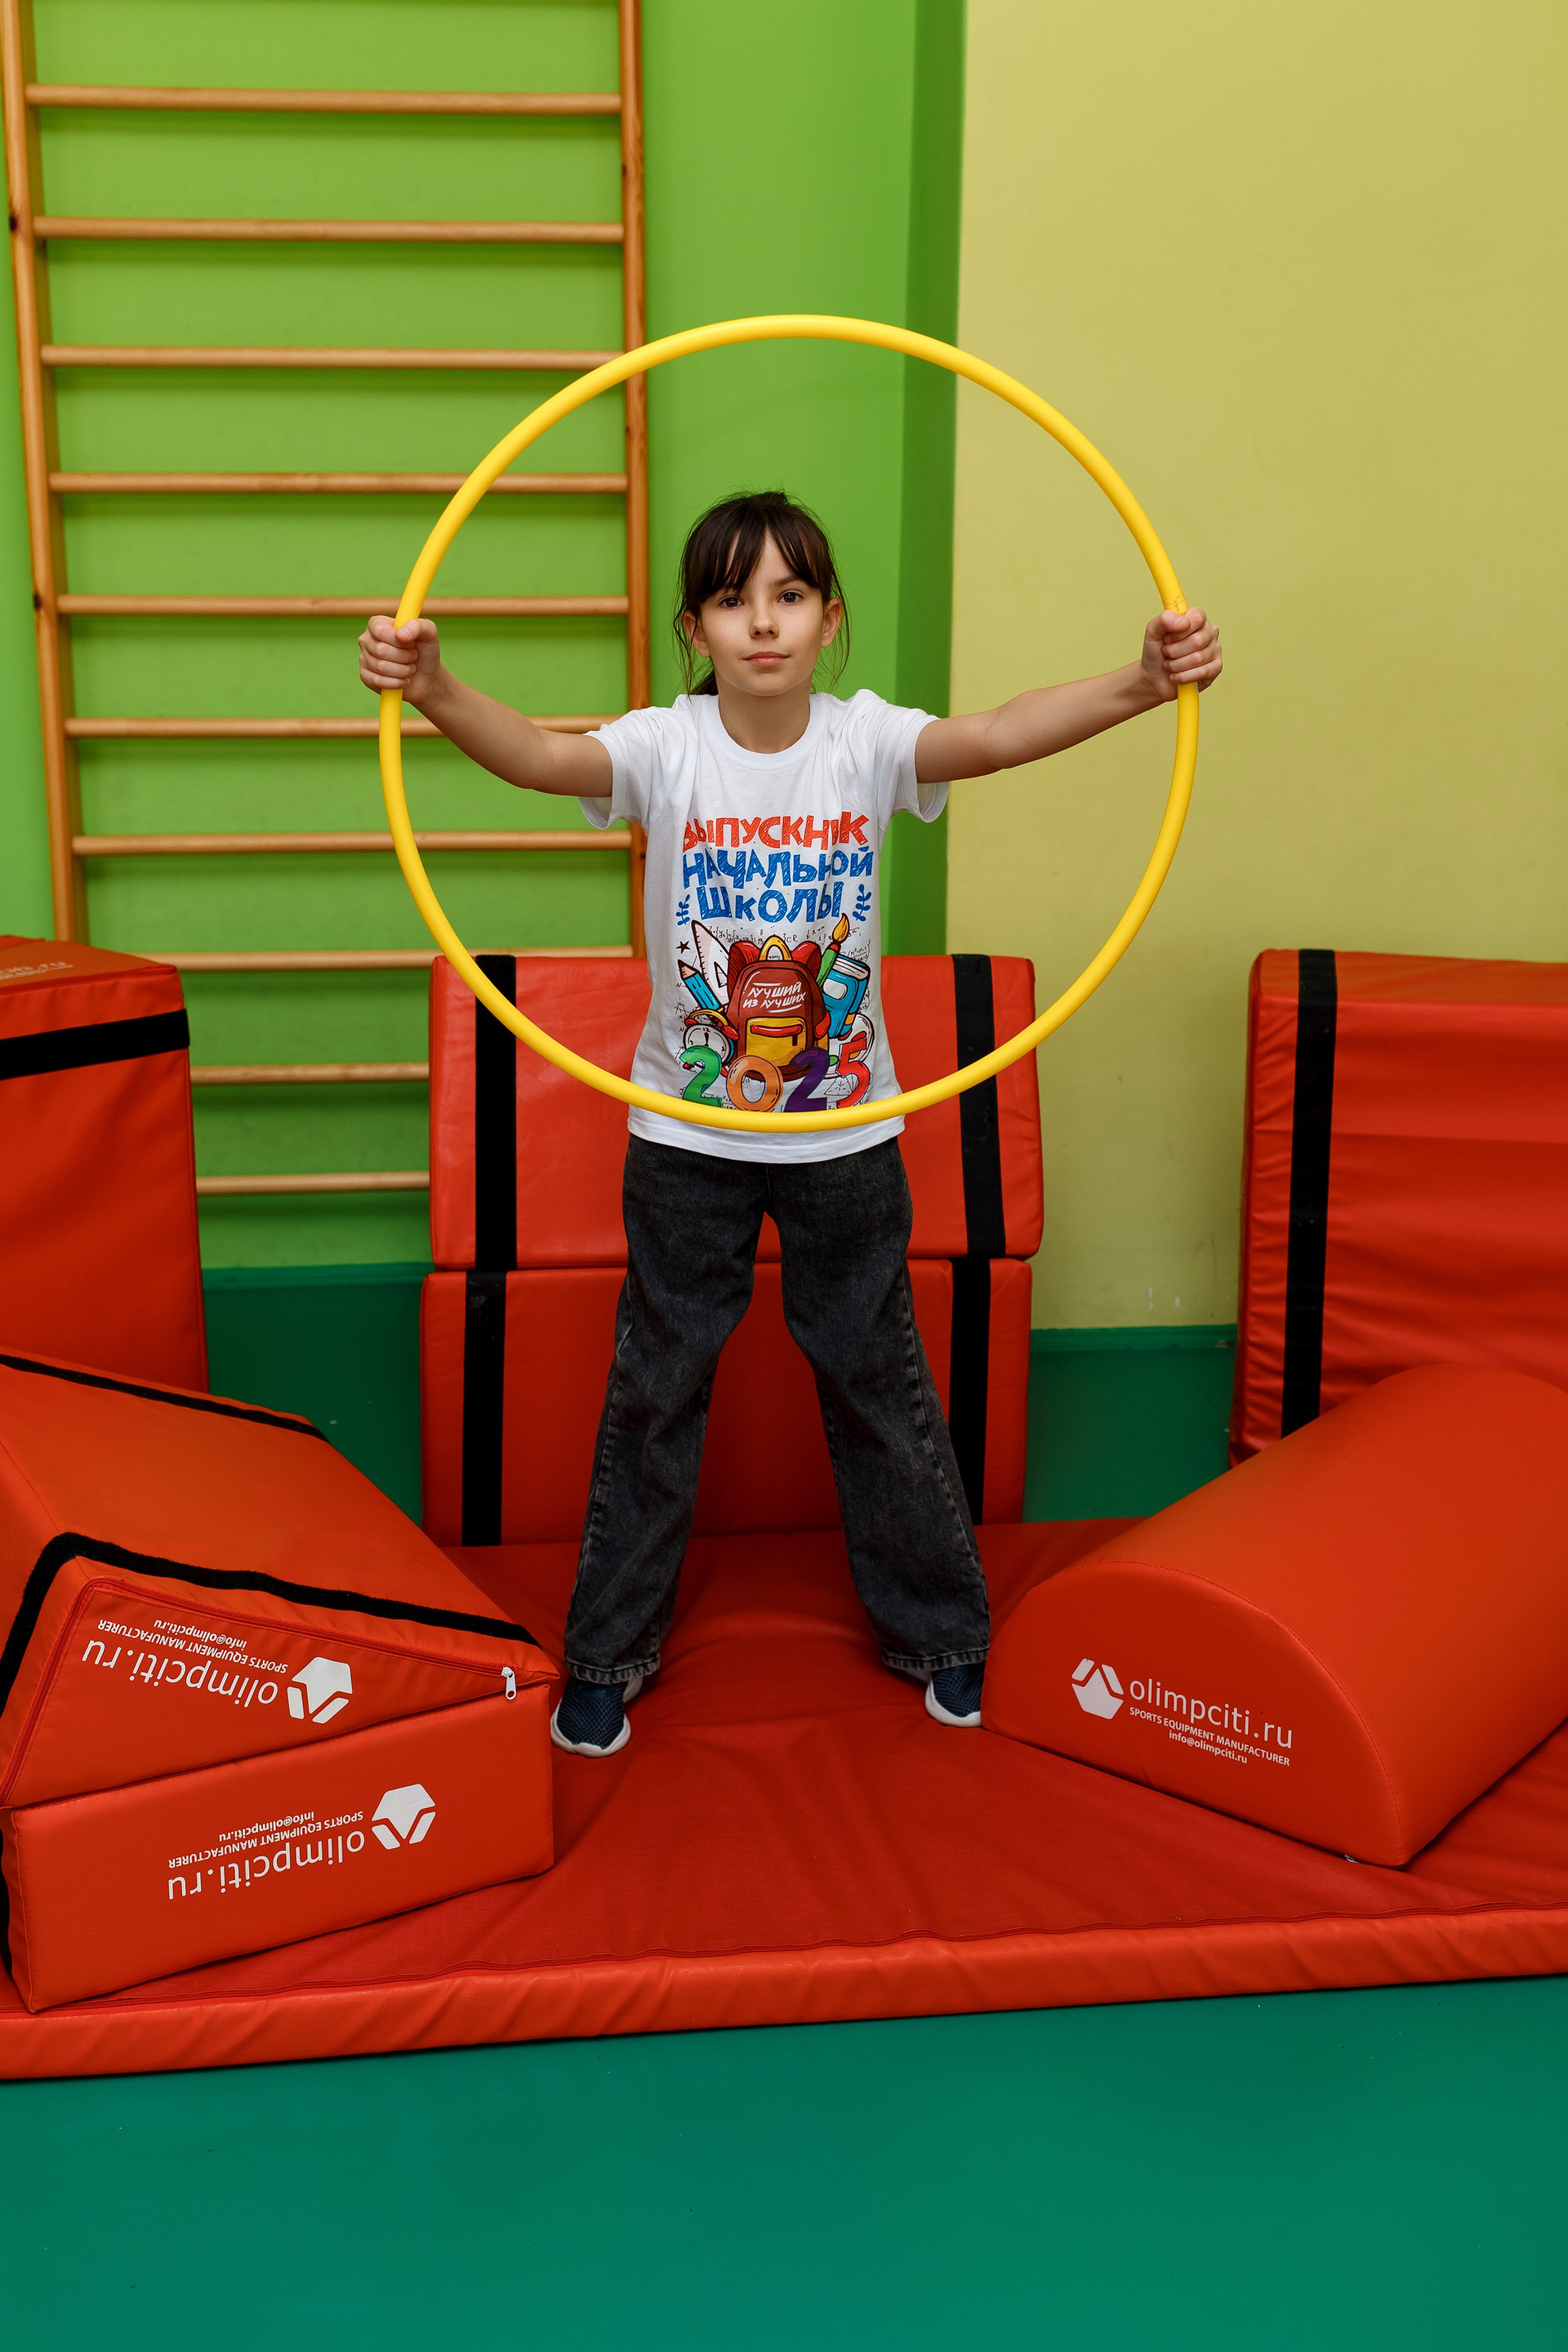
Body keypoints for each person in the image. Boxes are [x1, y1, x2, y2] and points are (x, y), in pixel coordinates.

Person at [359, 490, 1222, 1756]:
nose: (762, 622)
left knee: (879, 1384)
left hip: (847, 1140)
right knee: (657, 1389)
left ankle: (942, 1633)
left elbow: (995, 734)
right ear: (694, 629)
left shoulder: (865, 742)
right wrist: (434, 689)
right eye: (732, 599)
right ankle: (607, 1653)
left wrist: (1142, 683)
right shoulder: (665, 748)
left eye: (789, 595)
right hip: (687, 1140)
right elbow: (542, 757)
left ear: (828, 619)